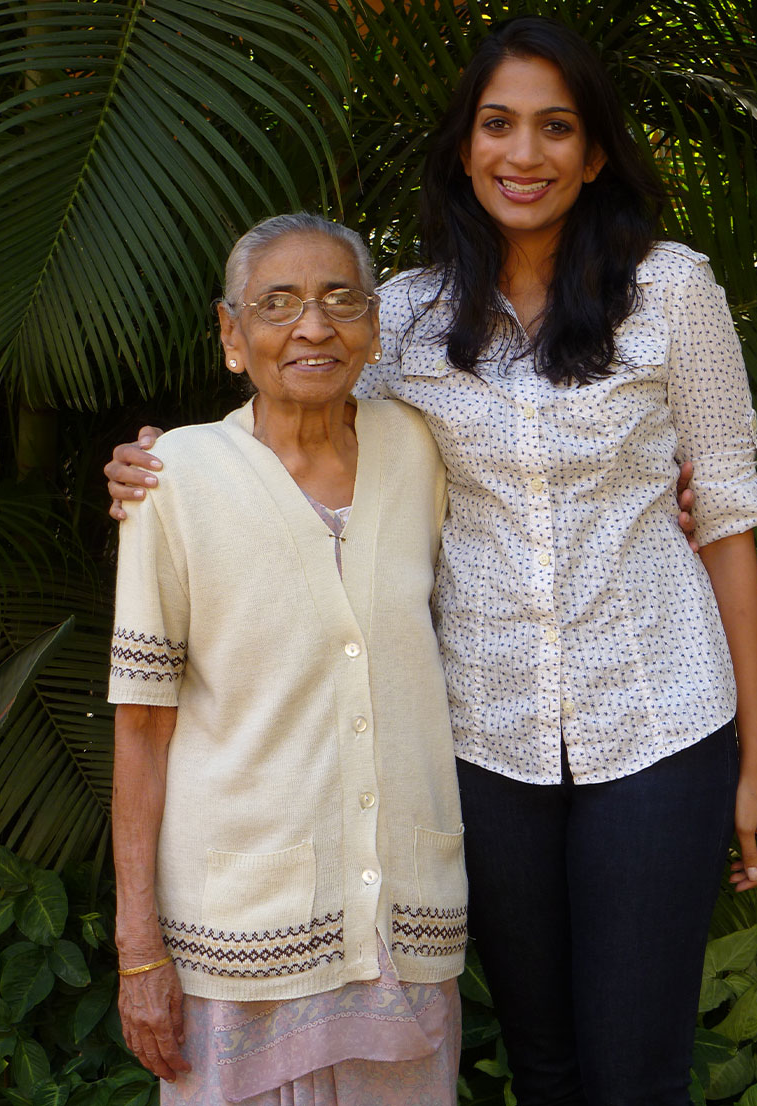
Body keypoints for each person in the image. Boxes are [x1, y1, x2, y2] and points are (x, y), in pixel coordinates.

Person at [106, 17, 757, 1106]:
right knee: (544, 1060)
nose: (525, 154)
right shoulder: (409, 319)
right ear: (466, 149)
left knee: (637, 1067)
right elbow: (304, 423)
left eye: (555, 128)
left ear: (595, 151)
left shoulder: (672, 293)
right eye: (498, 125)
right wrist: (164, 464)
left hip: (661, 715)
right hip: (483, 735)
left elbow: (728, 523)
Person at [108, 213, 468, 1106]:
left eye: (340, 300)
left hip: (402, 931)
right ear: (232, 335)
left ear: (375, 328)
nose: (314, 326)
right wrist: (137, 948)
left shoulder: (420, 450)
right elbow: (144, 728)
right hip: (238, 940)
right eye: (279, 304)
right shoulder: (176, 477)